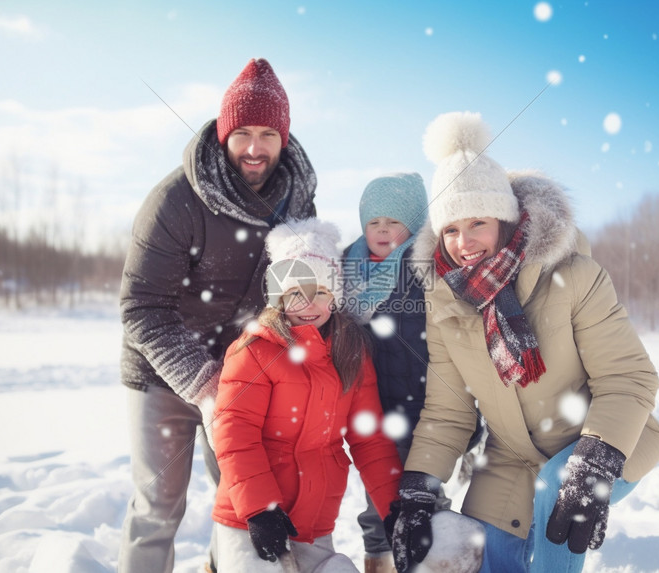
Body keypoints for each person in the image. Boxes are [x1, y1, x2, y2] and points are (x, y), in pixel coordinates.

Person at [388, 111, 659, 573]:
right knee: (490, 555)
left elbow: (628, 378)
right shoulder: (445, 301)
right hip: (511, 457)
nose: (464, 242)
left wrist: (595, 460)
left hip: (602, 439)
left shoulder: (575, 275)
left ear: (504, 219)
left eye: (477, 222)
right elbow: (448, 410)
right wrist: (419, 487)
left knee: (561, 494)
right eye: (451, 229)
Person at [118, 58, 317, 573]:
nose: (255, 148)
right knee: (158, 507)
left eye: (268, 133)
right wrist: (205, 386)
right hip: (161, 372)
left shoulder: (298, 199)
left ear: (284, 136)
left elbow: (298, 287)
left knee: (240, 502)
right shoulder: (176, 200)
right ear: (224, 132)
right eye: (244, 132)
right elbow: (142, 308)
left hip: (243, 373)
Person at [209, 217, 403, 573]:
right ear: (279, 297)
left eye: (321, 291)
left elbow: (370, 439)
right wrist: (260, 508)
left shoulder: (351, 353)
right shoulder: (255, 350)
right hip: (249, 520)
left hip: (312, 523)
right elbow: (235, 433)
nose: (308, 303)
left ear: (335, 296)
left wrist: (394, 510)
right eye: (296, 291)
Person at [343, 173, 482, 573]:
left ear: (417, 223)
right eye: (374, 222)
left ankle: (432, 563)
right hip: (375, 414)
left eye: (394, 221)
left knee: (422, 502)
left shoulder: (428, 267)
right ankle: (381, 564)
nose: (383, 230)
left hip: (428, 415)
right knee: (376, 507)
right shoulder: (347, 269)